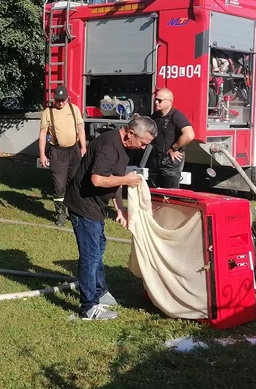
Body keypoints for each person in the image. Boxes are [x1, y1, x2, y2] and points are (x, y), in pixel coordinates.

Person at [64, 115, 156, 321]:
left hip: (96, 206)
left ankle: (100, 292)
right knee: (90, 255)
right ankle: (89, 307)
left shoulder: (125, 147)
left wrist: (120, 209)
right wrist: (127, 180)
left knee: (99, 247)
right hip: (83, 204)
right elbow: (97, 180)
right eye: (142, 143)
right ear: (131, 134)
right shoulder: (109, 145)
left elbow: (113, 179)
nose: (142, 148)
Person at [38, 85, 87, 226]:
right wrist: (42, 154)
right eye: (58, 100)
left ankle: (73, 211)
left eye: (63, 100)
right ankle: (60, 214)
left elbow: (80, 128)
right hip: (57, 152)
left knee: (74, 183)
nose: (60, 103)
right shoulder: (48, 112)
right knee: (59, 185)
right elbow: (42, 134)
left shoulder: (74, 109)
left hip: (73, 151)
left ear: (67, 99)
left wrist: (83, 147)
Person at [147, 88, 195, 189]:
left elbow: (189, 135)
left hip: (170, 160)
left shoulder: (177, 116)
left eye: (159, 100)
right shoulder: (155, 116)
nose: (156, 102)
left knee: (170, 193)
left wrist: (174, 148)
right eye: (155, 99)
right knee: (154, 192)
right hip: (155, 158)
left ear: (169, 102)